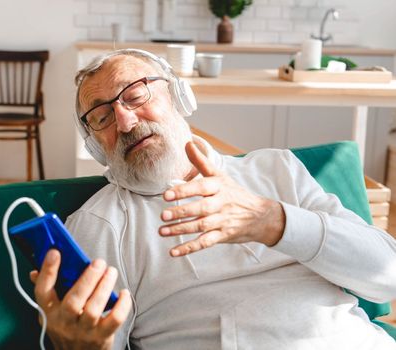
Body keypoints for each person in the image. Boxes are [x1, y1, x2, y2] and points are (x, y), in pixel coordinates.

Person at [30, 49, 396, 349]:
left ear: (178, 95)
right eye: (102, 117)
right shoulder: (102, 225)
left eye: (136, 95)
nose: (124, 121)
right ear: (97, 148)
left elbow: (387, 276)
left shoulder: (276, 168)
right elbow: (99, 339)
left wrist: (271, 220)